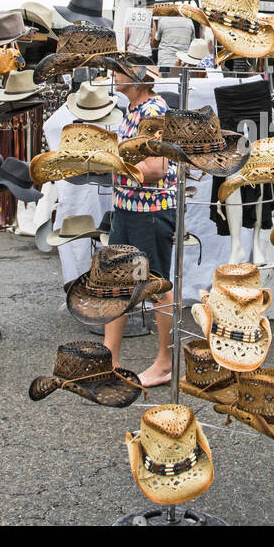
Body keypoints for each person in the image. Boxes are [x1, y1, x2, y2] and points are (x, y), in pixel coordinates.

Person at [103, 61, 177, 386]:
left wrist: (110, 165)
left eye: (117, 70)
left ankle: (165, 363)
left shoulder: (154, 110)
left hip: (150, 210)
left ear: (134, 78)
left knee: (157, 286)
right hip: (128, 206)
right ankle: (110, 359)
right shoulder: (133, 109)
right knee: (114, 283)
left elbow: (157, 168)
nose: (112, 75)